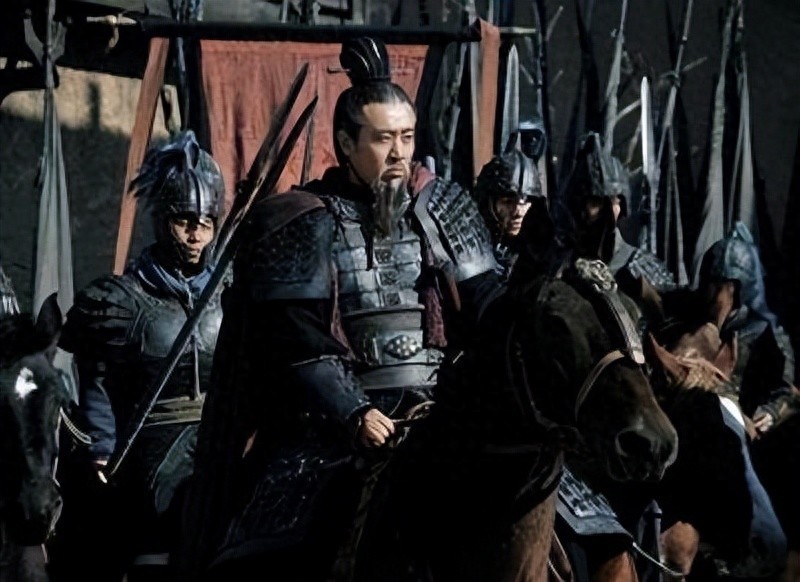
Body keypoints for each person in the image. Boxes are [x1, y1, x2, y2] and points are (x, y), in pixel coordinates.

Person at [178, 37, 499, 580]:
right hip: (334, 429)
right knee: (277, 553)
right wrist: (354, 412)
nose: (399, 154)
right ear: (347, 143)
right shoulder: (303, 221)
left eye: (407, 137)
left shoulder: (445, 207)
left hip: (444, 413)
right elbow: (301, 343)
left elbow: (488, 304)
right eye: (383, 139)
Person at [50, 130, 226, 582]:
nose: (196, 234)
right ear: (163, 219)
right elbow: (98, 380)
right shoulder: (122, 300)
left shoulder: (231, 292)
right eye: (185, 221)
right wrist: (103, 447)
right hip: (150, 447)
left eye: (206, 222)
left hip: (220, 440)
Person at [474, 145, 547, 279]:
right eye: (508, 202)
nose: (518, 212)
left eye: (525, 202)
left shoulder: (536, 249)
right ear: (489, 201)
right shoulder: (473, 237)